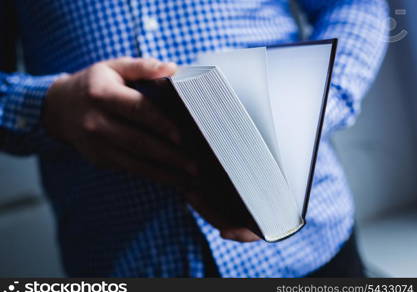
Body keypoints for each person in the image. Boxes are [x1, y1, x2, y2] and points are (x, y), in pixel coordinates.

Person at [0, 0, 388, 277]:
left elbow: (357, 5)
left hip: (312, 243)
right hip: (124, 262)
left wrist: (308, 110)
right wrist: (48, 107)